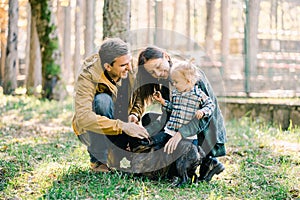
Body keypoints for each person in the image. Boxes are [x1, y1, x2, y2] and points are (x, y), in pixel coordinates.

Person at [129, 46, 226, 182]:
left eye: (158, 66)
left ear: (166, 57)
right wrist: (142, 128)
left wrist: (179, 134)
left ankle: (207, 159)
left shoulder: (188, 75)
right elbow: (170, 112)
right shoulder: (165, 79)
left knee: (178, 156)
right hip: (178, 123)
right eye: (152, 72)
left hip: (202, 130)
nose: (157, 73)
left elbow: (203, 117)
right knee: (148, 119)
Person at [72, 38, 149, 173]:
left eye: (129, 62)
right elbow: (83, 118)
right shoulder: (88, 75)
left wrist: (135, 113)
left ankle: (117, 153)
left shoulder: (130, 66)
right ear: (108, 66)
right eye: (123, 65)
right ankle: (99, 160)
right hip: (93, 133)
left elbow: (141, 95)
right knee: (102, 101)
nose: (130, 68)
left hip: (123, 127)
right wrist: (123, 126)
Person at [146, 60, 215, 150]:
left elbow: (210, 105)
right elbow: (173, 108)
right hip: (171, 130)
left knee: (187, 150)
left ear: (188, 81)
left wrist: (203, 111)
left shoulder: (198, 94)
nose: (173, 84)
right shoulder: (176, 93)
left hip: (188, 136)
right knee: (158, 142)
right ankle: (146, 145)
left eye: (176, 82)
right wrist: (163, 101)